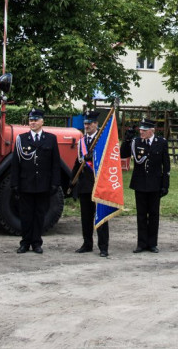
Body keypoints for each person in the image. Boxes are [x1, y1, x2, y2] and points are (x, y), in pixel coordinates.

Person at [12, 109, 61, 254]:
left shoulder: (50, 139)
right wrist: (14, 184)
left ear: (42, 121)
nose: (32, 122)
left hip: (43, 184)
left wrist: (55, 183)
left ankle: (37, 242)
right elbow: (16, 163)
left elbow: (55, 163)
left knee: (40, 215)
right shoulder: (21, 139)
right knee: (26, 215)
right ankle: (25, 242)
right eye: (31, 120)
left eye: (36, 120)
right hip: (26, 183)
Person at [120, 118, 169, 253]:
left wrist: (165, 184)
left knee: (154, 214)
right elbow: (123, 154)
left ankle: (152, 243)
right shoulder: (136, 142)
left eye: (144, 130)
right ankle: (141, 243)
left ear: (151, 130)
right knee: (141, 215)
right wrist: (127, 139)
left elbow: (166, 165)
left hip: (155, 183)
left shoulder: (161, 142)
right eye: (140, 129)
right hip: (140, 183)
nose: (141, 132)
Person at [74, 110, 109, 257]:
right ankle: (87, 243)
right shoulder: (81, 142)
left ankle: (103, 247)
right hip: (85, 185)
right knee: (86, 217)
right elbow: (77, 163)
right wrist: (73, 183)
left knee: (100, 216)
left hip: (99, 184)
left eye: (89, 123)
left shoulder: (102, 140)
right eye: (85, 123)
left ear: (96, 124)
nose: (87, 126)